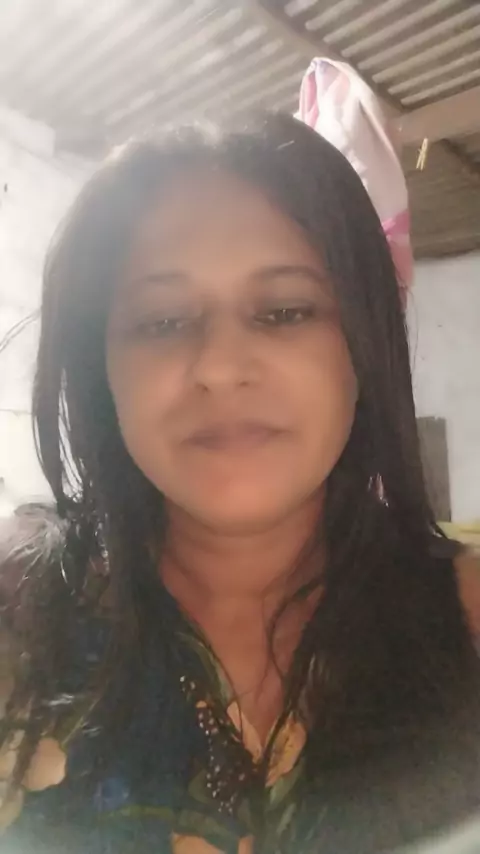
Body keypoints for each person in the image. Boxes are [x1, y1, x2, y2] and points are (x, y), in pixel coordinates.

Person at [0, 112, 479, 854]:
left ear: (362, 348)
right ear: (103, 371)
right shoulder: (20, 615)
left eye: (285, 311)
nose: (220, 367)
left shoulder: (467, 614)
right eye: (162, 321)